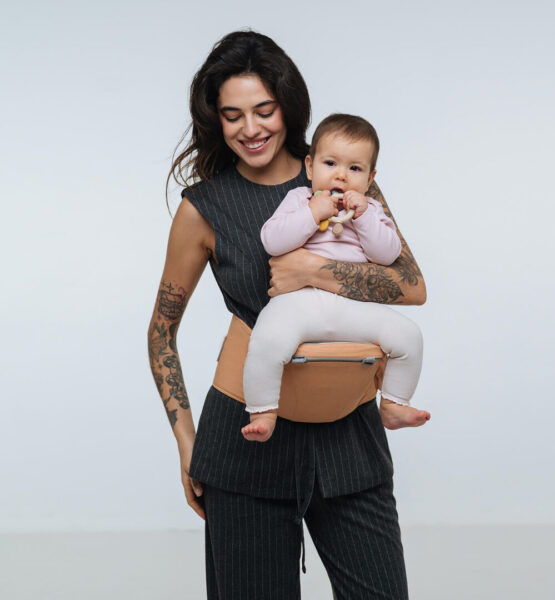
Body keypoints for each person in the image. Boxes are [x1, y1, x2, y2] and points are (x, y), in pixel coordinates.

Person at [148, 30, 427, 599]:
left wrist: (313, 272)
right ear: (215, 120)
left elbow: (411, 285)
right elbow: (161, 333)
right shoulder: (204, 208)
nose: (250, 128)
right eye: (232, 115)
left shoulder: (339, 172)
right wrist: (186, 441)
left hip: (350, 439)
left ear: (289, 106)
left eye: (264, 110)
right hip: (243, 449)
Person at [242, 113, 430, 442]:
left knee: (409, 337)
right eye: (330, 163)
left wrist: (364, 217)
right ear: (310, 167)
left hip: (353, 305)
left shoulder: (372, 210)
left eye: (355, 168)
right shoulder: (299, 200)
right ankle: (263, 410)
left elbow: (387, 254)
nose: (341, 175)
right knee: (266, 339)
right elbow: (272, 241)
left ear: (370, 178)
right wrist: (313, 213)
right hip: (299, 302)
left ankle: (394, 404)